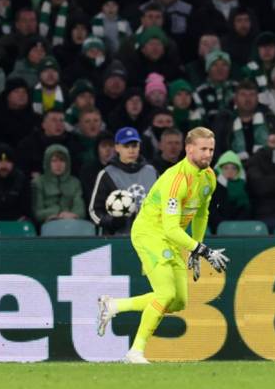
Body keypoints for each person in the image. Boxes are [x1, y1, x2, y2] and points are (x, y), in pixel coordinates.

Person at [96, 127, 227, 364]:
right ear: (189, 149)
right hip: (150, 233)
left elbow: (201, 214)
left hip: (172, 237)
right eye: (203, 149)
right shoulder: (176, 180)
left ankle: (114, 305)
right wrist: (202, 250)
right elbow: (169, 228)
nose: (208, 154)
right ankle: (134, 352)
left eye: (211, 149)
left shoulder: (208, 177)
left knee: (178, 302)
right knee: (165, 294)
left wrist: (196, 249)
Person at [88, 126, 158, 236]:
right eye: (126, 146)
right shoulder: (107, 174)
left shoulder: (152, 172)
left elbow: (163, 203)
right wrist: (112, 222)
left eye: (134, 145)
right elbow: (94, 211)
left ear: (139, 147)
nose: (131, 150)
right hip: (118, 239)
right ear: (117, 147)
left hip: (150, 237)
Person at [31, 144, 86, 226]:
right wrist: (56, 213)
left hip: (72, 224)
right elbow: (37, 212)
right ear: (47, 163)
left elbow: (80, 210)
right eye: (54, 161)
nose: (58, 164)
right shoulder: (38, 182)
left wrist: (72, 215)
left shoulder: (75, 182)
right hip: (45, 226)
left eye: (62, 160)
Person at [0, 143, 31, 221]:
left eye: (8, 162)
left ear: (13, 164)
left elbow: (27, 209)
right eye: (0, 161)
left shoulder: (21, 180)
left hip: (17, 224)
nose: (4, 165)